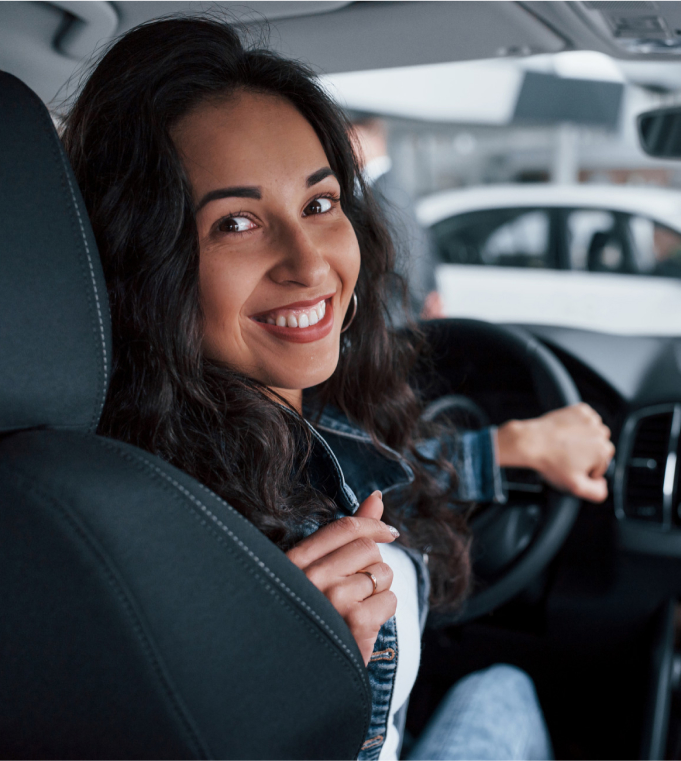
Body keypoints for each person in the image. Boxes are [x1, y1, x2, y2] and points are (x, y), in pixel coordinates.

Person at [63, 16, 614, 760]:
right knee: (505, 689)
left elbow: (369, 475)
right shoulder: (165, 552)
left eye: (319, 205)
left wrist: (509, 447)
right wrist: (293, 691)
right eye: (236, 222)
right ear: (143, 261)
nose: (310, 264)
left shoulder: (229, 439)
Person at [349, 113, 445, 322]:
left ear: (374, 140)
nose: (346, 147)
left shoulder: (386, 192)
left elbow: (408, 258)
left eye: (352, 138)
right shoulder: (381, 187)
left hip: (392, 318)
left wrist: (403, 316)